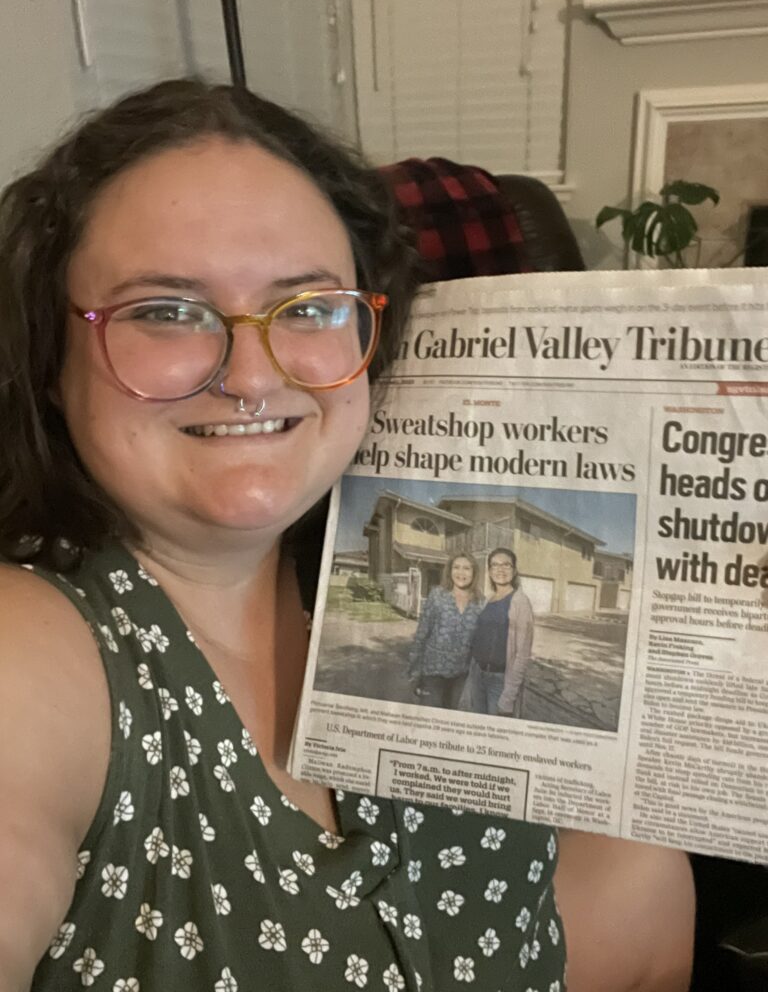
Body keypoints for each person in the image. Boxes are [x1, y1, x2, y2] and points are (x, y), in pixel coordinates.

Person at [0, 79, 566, 991]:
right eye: (165, 312)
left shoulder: (388, 584)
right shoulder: (31, 655)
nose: (252, 375)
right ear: (49, 358)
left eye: (306, 307)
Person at [407, 553, 484, 709]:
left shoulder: (480, 602)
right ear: (449, 571)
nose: (461, 573)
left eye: (466, 568)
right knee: (432, 721)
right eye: (456, 567)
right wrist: (415, 672)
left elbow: (481, 642)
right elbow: (421, 635)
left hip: (462, 675)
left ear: (474, 573)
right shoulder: (437, 595)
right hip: (433, 672)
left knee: (452, 720)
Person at [463, 548, 532, 717]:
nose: (500, 569)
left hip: (499, 682)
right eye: (494, 565)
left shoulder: (520, 602)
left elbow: (522, 654)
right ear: (489, 571)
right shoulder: (488, 599)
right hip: (477, 675)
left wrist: (508, 697)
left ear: (514, 570)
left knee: (496, 735)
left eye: (506, 565)